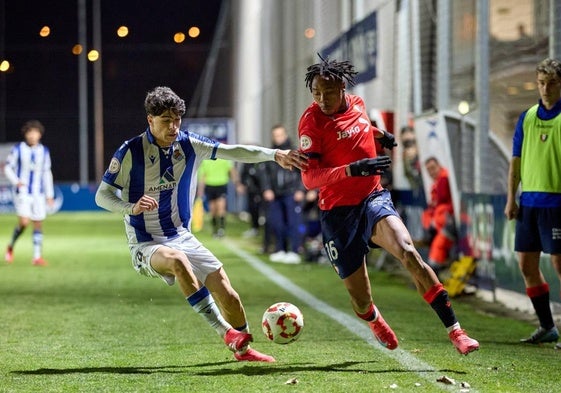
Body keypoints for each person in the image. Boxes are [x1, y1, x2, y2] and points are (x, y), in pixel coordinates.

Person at [95, 86, 307, 362]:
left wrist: (274, 154)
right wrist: (130, 207)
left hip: (181, 235)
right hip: (145, 243)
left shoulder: (188, 144)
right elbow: (103, 195)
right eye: (165, 121)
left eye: (177, 119)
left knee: (229, 296)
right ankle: (226, 333)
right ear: (150, 120)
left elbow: (234, 151)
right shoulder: (131, 151)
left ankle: (242, 350)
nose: (173, 126)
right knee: (177, 261)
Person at [297, 55, 479, 355]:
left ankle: (456, 331)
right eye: (315, 93)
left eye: (327, 93)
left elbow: (359, 127)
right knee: (361, 299)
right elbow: (310, 179)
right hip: (338, 214)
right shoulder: (311, 121)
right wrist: (352, 170)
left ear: (342, 87)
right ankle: (374, 318)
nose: (321, 99)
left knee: (409, 253)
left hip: (372, 198)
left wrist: (382, 134)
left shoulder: (356, 104)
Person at [504, 57, 561, 348]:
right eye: (541, 83)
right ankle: (547, 326)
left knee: (560, 264)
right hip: (529, 203)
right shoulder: (527, 117)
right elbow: (516, 161)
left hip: (557, 203)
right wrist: (512, 198)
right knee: (526, 265)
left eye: (551, 83)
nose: (546, 88)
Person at [4, 120, 54, 266]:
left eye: (35, 133)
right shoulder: (18, 149)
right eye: (29, 133)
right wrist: (16, 181)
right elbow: (7, 167)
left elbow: (47, 173)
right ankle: (11, 246)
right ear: (25, 134)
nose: (32, 136)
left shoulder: (44, 151)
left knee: (38, 223)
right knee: (24, 222)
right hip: (23, 192)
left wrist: (49, 195)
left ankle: (37, 257)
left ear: (39, 135)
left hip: (38, 193)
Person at [259, 125, 306, 264]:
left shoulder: (294, 151)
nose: (278, 138)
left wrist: (300, 189)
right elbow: (265, 174)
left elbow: (303, 171)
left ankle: (294, 250)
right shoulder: (270, 153)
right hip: (275, 194)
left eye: (280, 135)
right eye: (275, 135)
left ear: (285, 135)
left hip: (291, 192)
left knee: (293, 222)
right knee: (277, 223)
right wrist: (266, 188)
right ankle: (280, 249)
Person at [421, 157, 456, 276]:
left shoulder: (444, 179)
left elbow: (443, 206)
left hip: (449, 222)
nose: (431, 172)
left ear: (439, 166)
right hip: (443, 223)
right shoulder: (438, 182)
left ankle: (433, 275)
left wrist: (434, 223)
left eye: (433, 168)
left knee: (438, 246)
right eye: (429, 170)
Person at [197, 158, 238, 237]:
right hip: (210, 186)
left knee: (221, 207)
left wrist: (236, 183)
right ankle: (215, 229)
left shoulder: (224, 158)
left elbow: (232, 170)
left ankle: (221, 229)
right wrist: (200, 189)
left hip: (221, 185)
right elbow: (203, 175)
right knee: (213, 210)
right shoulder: (206, 159)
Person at [236, 162, 264, 238]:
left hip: (262, 190)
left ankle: (260, 229)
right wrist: (241, 184)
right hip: (251, 190)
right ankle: (255, 228)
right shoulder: (248, 163)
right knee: (253, 209)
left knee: (262, 210)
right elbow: (244, 174)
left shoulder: (262, 162)